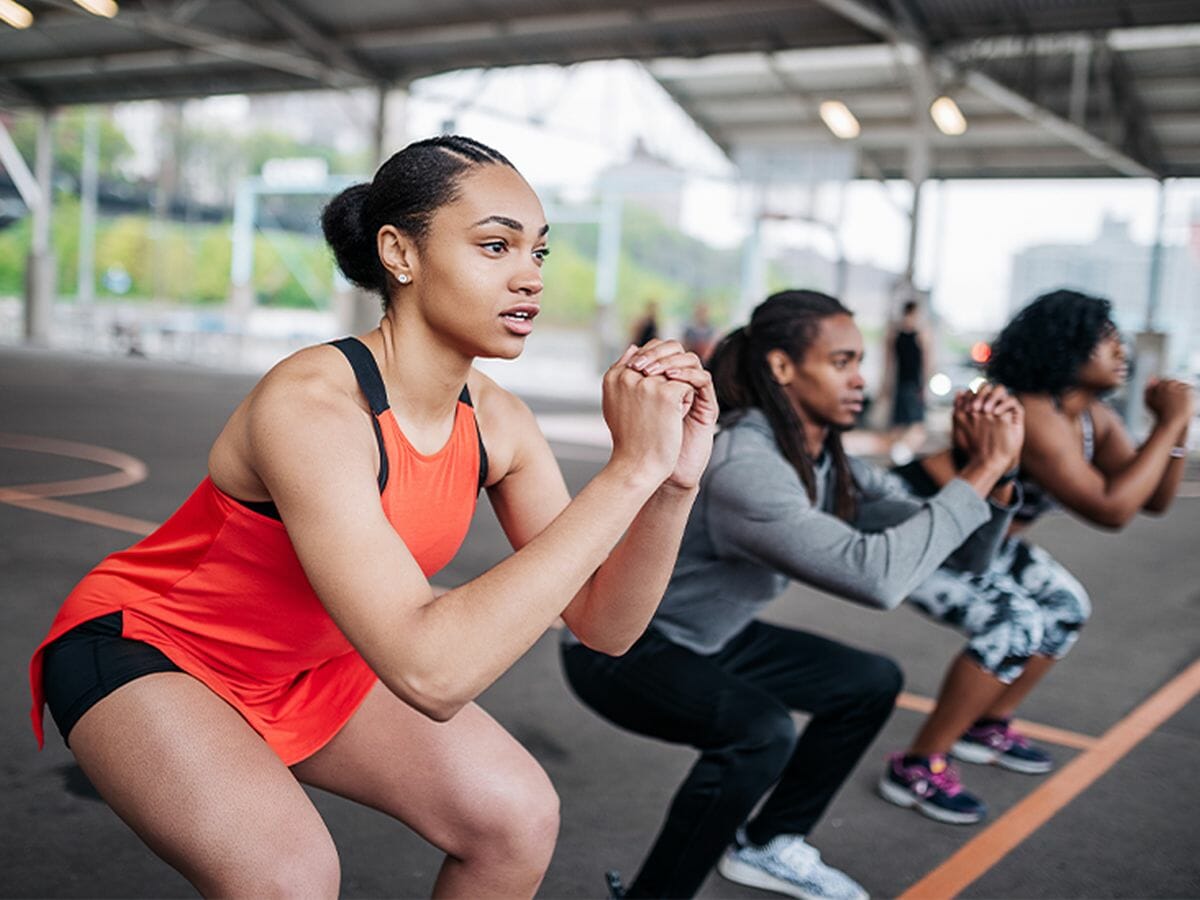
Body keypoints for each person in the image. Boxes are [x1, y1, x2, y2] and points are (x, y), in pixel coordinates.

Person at [28, 135, 717, 899]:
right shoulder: (314, 405)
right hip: (154, 647)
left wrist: (670, 485)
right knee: (288, 878)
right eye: (496, 246)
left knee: (515, 818)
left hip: (308, 662)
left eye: (539, 254)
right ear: (400, 253)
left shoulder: (501, 424)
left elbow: (605, 623)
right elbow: (432, 673)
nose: (529, 277)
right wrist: (627, 471)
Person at [561, 290, 1022, 900]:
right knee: (760, 732)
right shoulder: (744, 462)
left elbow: (966, 552)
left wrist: (997, 470)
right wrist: (978, 474)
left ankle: (770, 844)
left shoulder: (826, 457)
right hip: (620, 645)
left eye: (860, 361)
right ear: (782, 368)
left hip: (712, 637)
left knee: (868, 682)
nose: (862, 379)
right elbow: (876, 577)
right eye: (842, 362)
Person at [879, 288, 1194, 824]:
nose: (1122, 352)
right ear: (1067, 347)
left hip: (988, 540)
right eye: (1107, 338)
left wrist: (1177, 427)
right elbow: (1112, 510)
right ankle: (916, 765)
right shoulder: (1031, 412)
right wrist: (1168, 422)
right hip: (925, 530)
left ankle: (986, 724)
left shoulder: (1092, 416)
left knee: (1065, 606)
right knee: (1013, 623)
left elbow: (1155, 501)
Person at [882, 300, 931, 465]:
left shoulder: (897, 333)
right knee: (912, 426)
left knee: (902, 425)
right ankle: (900, 457)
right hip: (909, 384)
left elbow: (888, 363)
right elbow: (925, 363)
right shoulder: (916, 335)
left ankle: (899, 457)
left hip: (905, 383)